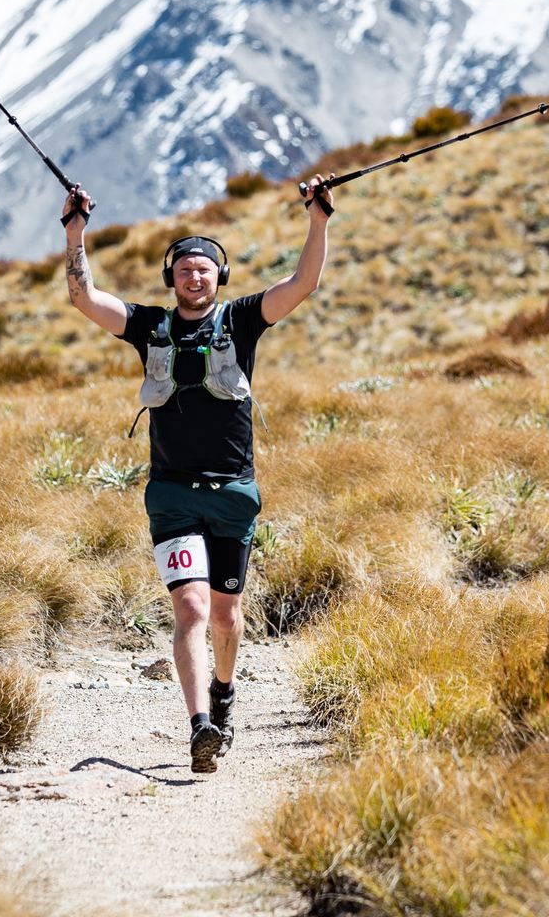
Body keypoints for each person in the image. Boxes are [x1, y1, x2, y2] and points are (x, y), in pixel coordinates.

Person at [60, 176, 333, 773]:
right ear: (171, 278)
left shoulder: (242, 321)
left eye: (204, 268)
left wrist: (318, 220)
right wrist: (75, 233)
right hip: (173, 497)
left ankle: (224, 694)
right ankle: (199, 727)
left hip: (234, 493)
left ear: (218, 277)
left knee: (228, 615)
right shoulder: (149, 327)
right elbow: (86, 300)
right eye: (184, 268)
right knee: (191, 610)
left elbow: (303, 283)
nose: (194, 276)